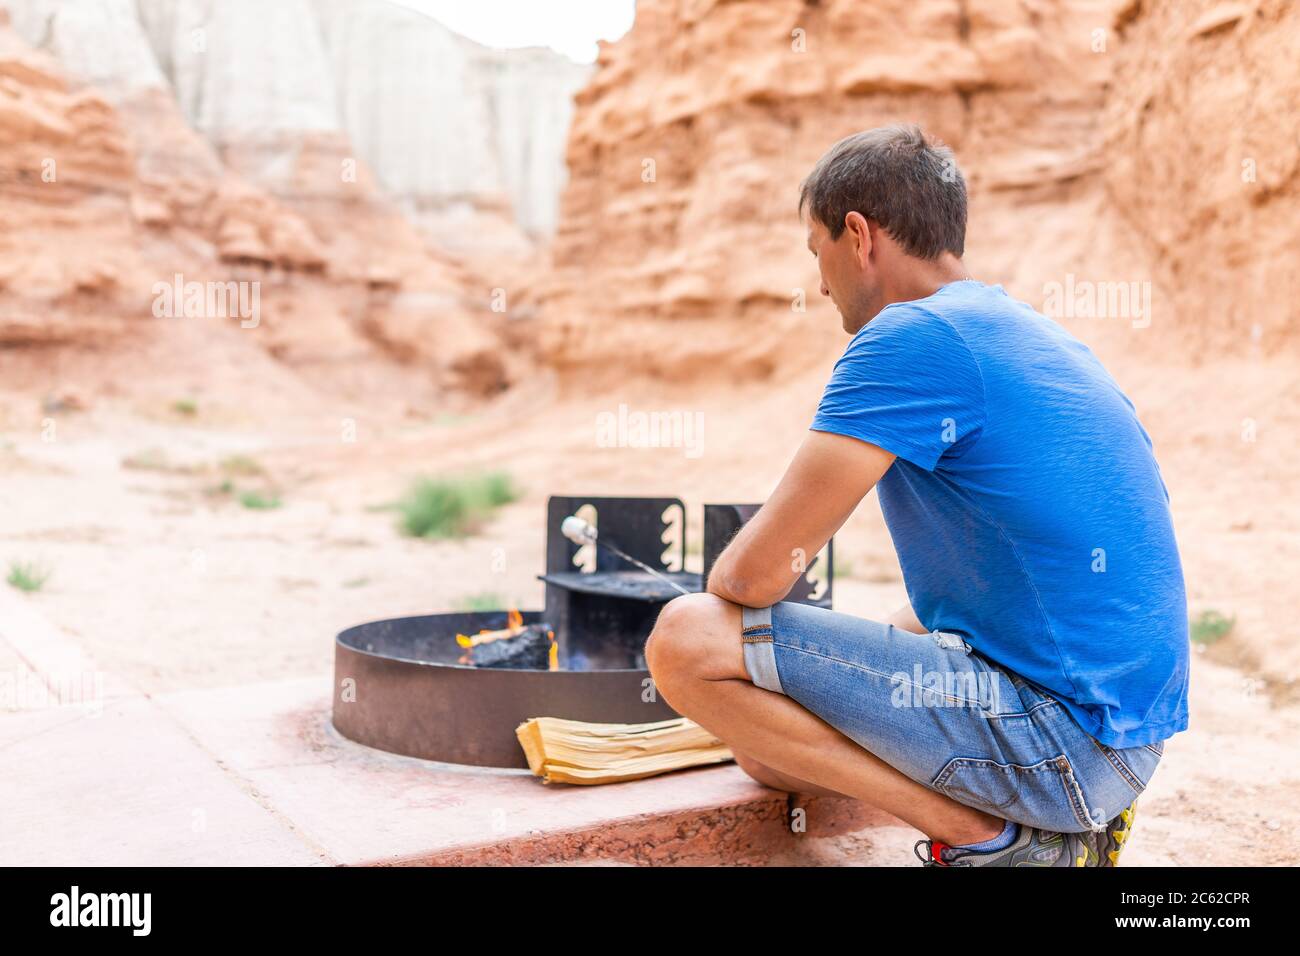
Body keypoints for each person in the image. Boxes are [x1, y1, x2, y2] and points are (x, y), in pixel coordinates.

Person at [644, 124, 1190, 867]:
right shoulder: (1025, 331)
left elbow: (747, 580)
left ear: (859, 236)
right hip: (1121, 747)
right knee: (768, 757)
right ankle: (1053, 821)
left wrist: (776, 627)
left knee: (690, 641)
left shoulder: (907, 338)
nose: (821, 283)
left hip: (1061, 744)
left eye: (818, 253)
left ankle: (1001, 843)